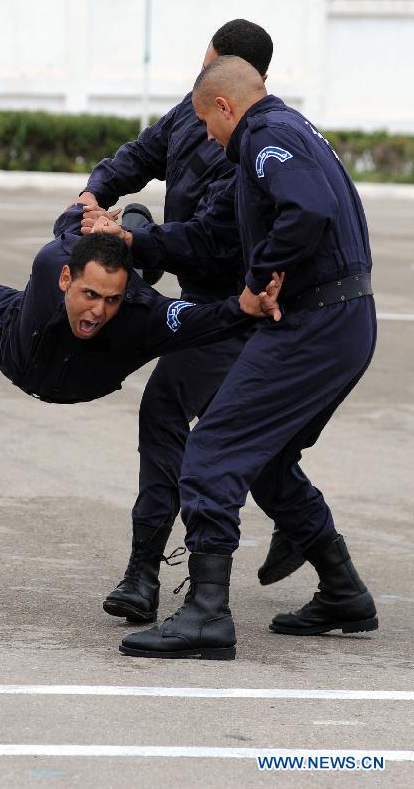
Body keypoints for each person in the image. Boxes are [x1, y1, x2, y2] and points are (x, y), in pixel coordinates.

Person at [119, 56, 378, 660]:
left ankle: (208, 613)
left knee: (212, 448)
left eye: (209, 124)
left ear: (226, 107)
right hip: (344, 320)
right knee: (266, 460)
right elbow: (214, 237)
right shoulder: (295, 129)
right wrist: (136, 239)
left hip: (314, 323)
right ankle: (344, 591)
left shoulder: (261, 135)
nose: (208, 138)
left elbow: (308, 210)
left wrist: (262, 277)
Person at [77, 19, 303, 625]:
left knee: (183, 423)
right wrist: (96, 193)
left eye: (208, 70)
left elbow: (208, 242)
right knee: (251, 443)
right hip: (204, 303)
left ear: (232, 83)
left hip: (234, 311)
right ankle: (328, 563)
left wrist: (134, 237)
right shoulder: (192, 108)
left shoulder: (252, 145)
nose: (198, 90)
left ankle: (145, 572)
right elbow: (141, 154)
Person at [0, 130, 283, 409]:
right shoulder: (52, 265)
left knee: (123, 272)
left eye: (110, 299)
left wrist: (247, 306)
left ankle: (132, 234)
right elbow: (67, 225)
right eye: (90, 295)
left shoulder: (143, 315)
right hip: (10, 336)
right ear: (66, 280)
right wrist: (88, 213)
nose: (97, 311)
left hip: (85, 376)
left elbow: (205, 320)